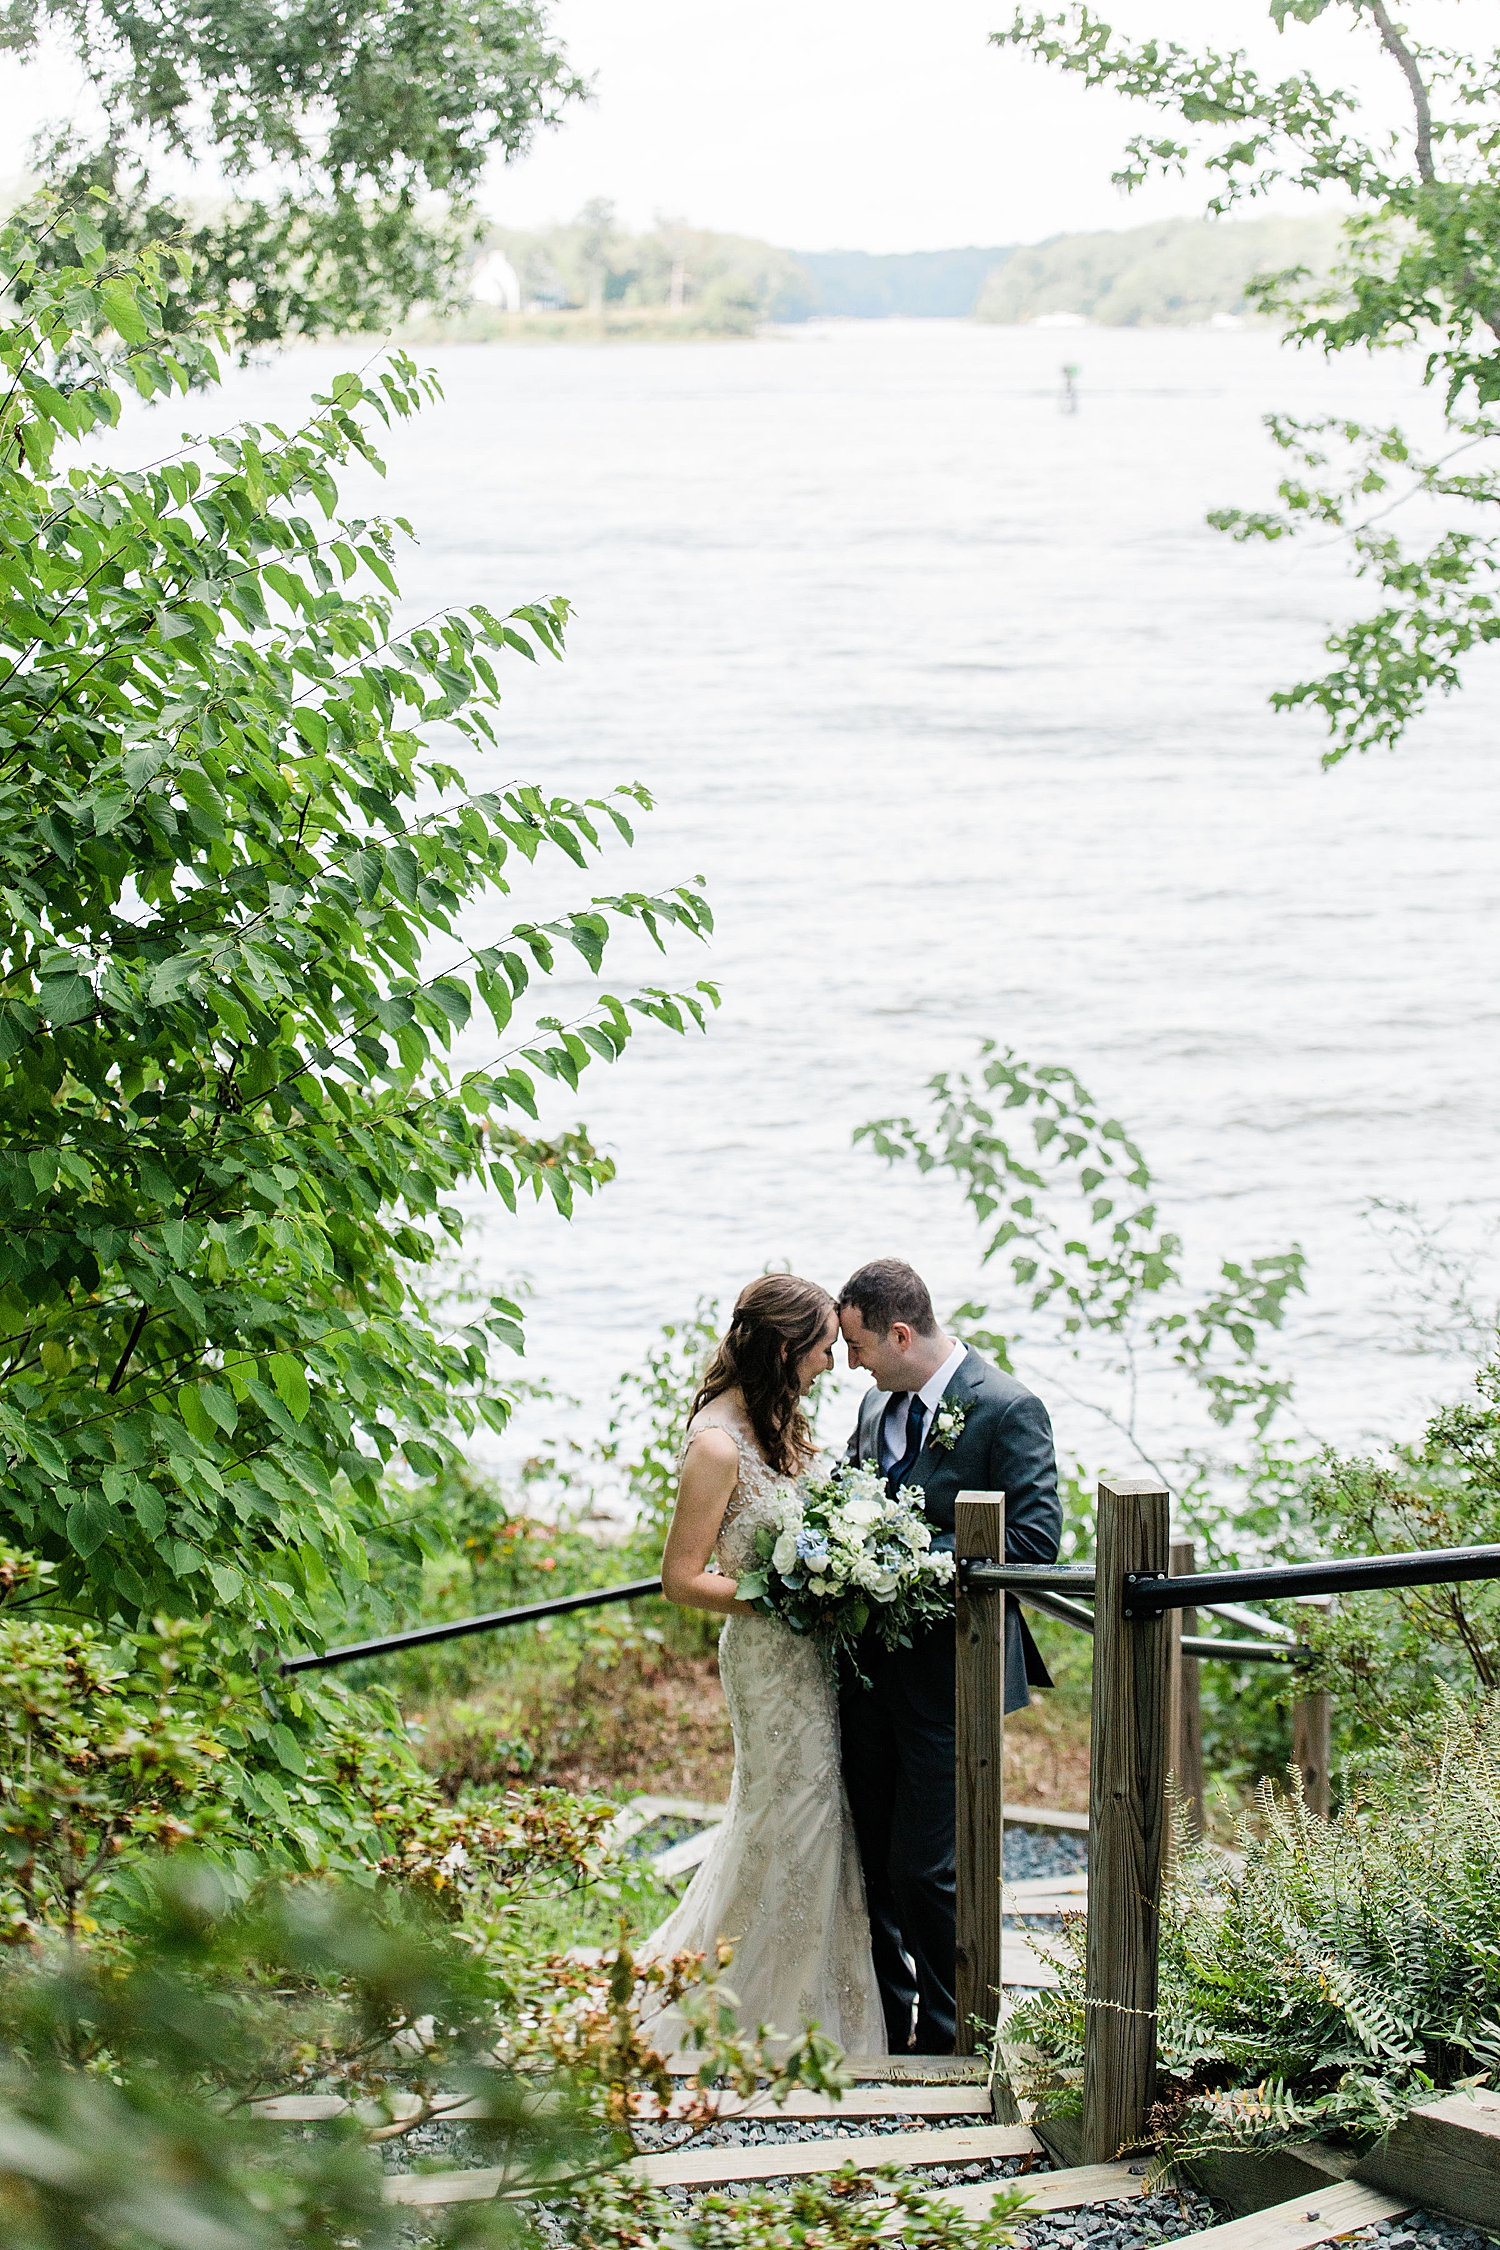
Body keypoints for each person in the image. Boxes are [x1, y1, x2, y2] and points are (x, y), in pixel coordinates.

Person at [642, 1274, 886, 2053]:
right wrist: (783, 1599)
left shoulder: (782, 1418)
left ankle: (805, 1994)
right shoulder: (717, 1445)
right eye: (821, 1348)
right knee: (790, 1816)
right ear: (785, 1348)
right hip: (767, 1662)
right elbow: (681, 1578)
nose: (830, 1362)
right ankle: (763, 2017)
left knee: (818, 1818)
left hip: (814, 1659)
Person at [837, 1257, 1060, 2055]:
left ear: (901, 1334)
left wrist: (903, 1548)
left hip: (952, 1677)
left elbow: (1034, 1546)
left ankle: (950, 2030)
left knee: (925, 1867)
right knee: (869, 1858)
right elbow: (848, 1497)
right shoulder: (874, 1407)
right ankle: (886, 2023)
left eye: (860, 1348)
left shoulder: (1007, 1409)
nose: (853, 1366)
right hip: (868, 1677)